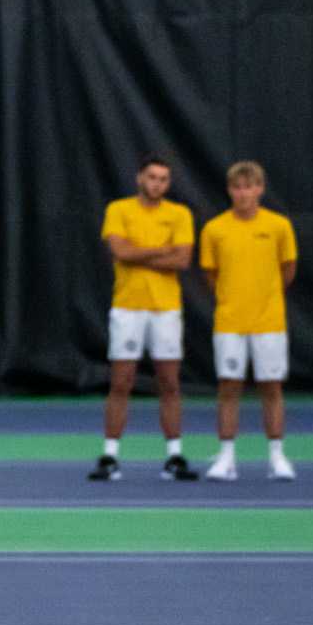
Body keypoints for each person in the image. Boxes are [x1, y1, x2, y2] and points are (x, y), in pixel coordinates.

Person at [91, 153, 195, 482]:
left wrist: (140, 254)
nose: (157, 184)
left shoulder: (179, 214)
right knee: (121, 381)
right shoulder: (118, 210)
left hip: (166, 309)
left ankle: (174, 456)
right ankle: (109, 456)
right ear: (139, 178)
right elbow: (120, 252)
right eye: (152, 177)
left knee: (169, 382)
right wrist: (161, 250)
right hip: (127, 307)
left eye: (164, 179)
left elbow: (182, 261)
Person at [198, 160, 300, 481]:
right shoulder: (215, 229)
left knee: (272, 388)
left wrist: (264, 296)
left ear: (260, 189)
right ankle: (226, 458)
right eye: (237, 187)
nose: (244, 193)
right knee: (229, 387)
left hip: (269, 322)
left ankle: (277, 457)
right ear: (230, 190)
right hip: (229, 322)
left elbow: (287, 269)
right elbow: (210, 275)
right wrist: (234, 298)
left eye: (250, 186)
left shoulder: (279, 226)